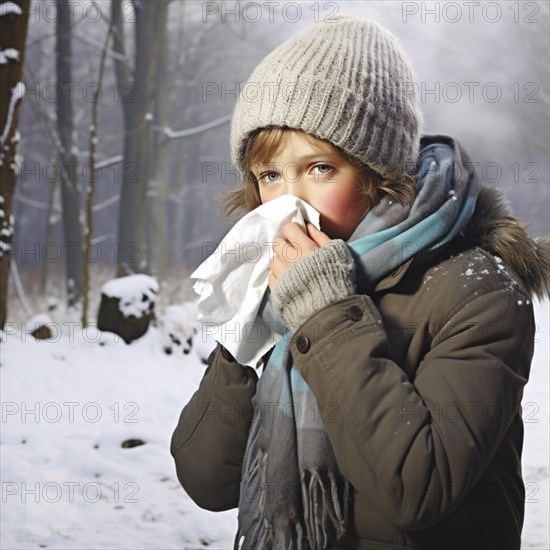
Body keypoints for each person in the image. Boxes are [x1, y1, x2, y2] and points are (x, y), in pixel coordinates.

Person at [171, 15, 549, 550]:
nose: (288, 202)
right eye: (270, 175)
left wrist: (327, 315)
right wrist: (239, 340)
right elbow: (207, 480)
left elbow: (416, 489)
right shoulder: (275, 285)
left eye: (320, 168)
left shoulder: (479, 289)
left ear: (379, 173)